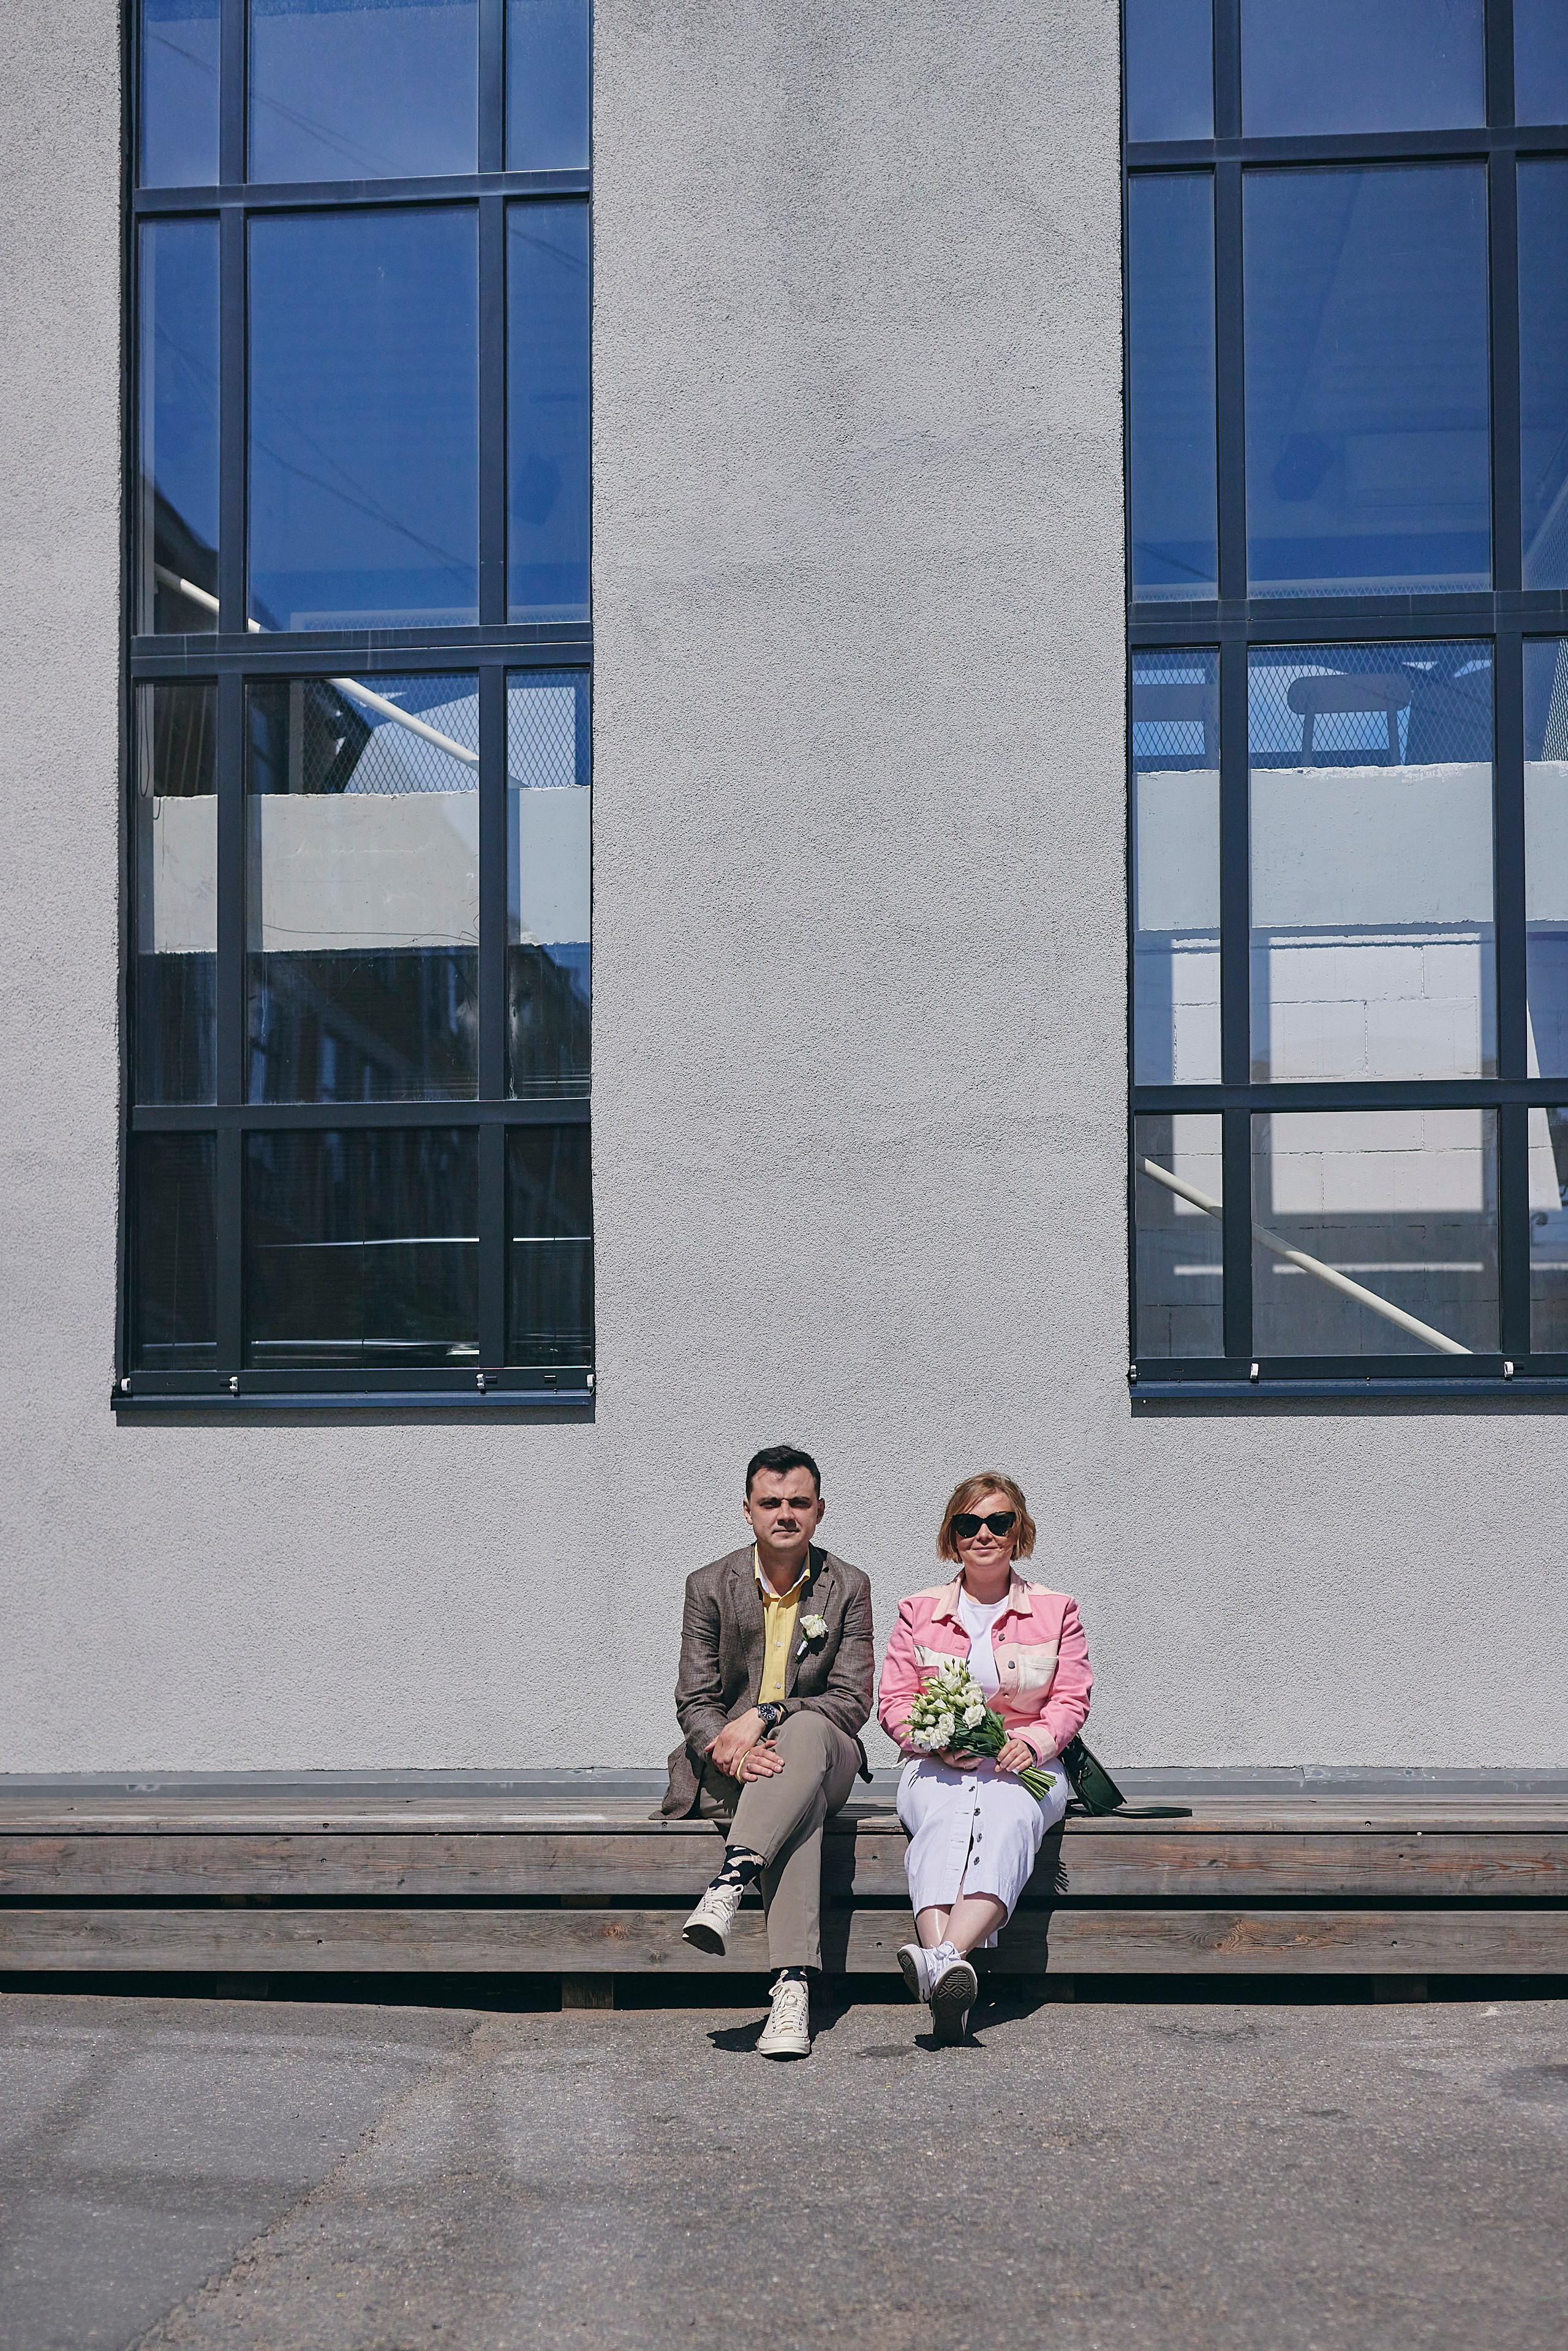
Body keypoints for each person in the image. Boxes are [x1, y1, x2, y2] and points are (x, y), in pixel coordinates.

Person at [665, 1444, 875, 2059]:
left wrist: (768, 1714)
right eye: (771, 1502)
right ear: (748, 1510)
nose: (785, 1513)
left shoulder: (849, 1585)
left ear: (819, 1510)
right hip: (738, 1766)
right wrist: (726, 1749)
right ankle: (792, 1992)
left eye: (798, 1503)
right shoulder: (708, 1585)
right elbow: (695, 1699)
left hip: (824, 1750)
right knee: (798, 1805)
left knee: (805, 1736)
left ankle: (730, 1882)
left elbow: (852, 1701)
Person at [876, 1471, 1091, 2042]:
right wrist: (931, 1742)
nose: (984, 1534)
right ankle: (952, 1972)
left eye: (999, 1521)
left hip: (1027, 1764)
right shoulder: (917, 1610)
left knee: (1006, 1820)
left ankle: (939, 1960)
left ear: (1019, 1530)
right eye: (969, 1524)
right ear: (952, 1535)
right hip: (937, 1763)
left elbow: (1071, 1698)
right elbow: (895, 1702)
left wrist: (1036, 1742)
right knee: (943, 1825)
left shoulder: (1057, 1609)